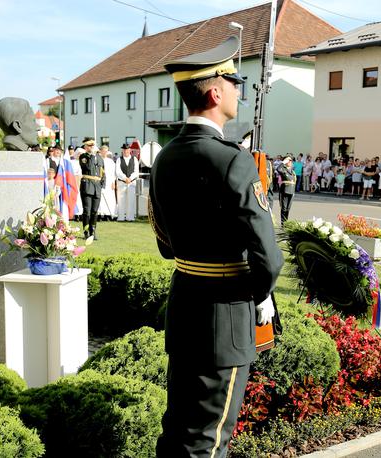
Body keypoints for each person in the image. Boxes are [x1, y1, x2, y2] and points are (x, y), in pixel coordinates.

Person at [149, 36, 283, 457]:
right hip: (226, 313)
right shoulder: (232, 159)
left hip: (186, 304)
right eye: (233, 82)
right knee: (209, 439)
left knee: (177, 432)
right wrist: (261, 294)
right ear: (215, 91)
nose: (239, 92)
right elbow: (268, 254)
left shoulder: (165, 157)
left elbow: (166, 245)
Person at [78, 137, 105, 240]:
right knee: (87, 211)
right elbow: (88, 167)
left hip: (97, 186)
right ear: (85, 146)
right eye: (89, 145)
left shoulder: (99, 158)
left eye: (92, 145)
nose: (91, 147)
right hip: (87, 185)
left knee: (94, 211)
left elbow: (103, 171)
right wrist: (92, 156)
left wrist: (102, 184)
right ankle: (86, 231)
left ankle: (93, 231)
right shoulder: (84, 157)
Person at [116, 143, 140, 221]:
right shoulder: (119, 159)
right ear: (122, 150)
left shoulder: (134, 159)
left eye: (127, 149)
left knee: (131, 200)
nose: (126, 151)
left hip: (131, 183)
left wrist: (130, 178)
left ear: (130, 150)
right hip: (121, 182)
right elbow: (117, 171)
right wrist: (124, 178)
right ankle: (121, 217)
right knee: (120, 200)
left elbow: (136, 171)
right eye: (124, 150)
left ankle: (130, 217)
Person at [277, 156, 296, 224]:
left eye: (291, 160)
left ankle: (286, 223)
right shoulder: (283, 169)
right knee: (284, 208)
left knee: (288, 209)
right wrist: (283, 162)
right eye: (289, 160)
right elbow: (278, 169)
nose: (290, 161)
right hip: (285, 191)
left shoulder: (293, 172)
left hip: (291, 192)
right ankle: (283, 224)